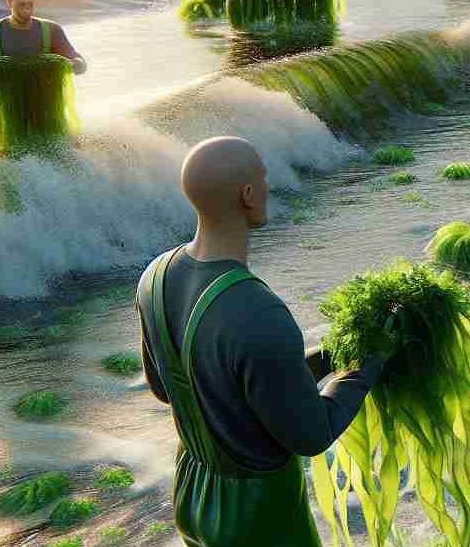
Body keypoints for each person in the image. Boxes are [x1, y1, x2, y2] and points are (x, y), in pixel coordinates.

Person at [136, 137, 388, 547]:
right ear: (248, 195)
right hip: (259, 520)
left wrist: (334, 352)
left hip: (193, 495)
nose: (268, 188)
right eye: (263, 179)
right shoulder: (257, 310)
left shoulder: (154, 277)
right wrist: (370, 362)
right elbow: (311, 434)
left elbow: (172, 386)